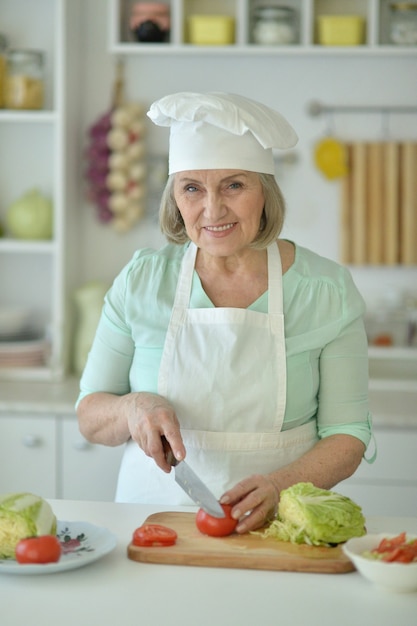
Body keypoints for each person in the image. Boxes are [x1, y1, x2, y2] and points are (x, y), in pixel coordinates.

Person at [76, 91, 374, 534]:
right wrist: (131, 408)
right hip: (152, 525)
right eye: (192, 188)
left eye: (234, 185)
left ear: (265, 193)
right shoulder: (142, 282)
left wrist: (280, 485)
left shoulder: (325, 290)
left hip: (277, 528)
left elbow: (348, 433)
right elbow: (90, 413)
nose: (212, 210)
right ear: (175, 196)